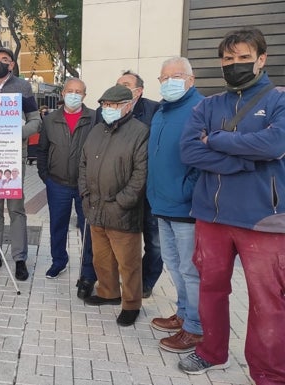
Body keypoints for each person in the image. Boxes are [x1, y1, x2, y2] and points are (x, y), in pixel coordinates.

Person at [179, 27, 285, 381]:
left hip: (263, 219)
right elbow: (190, 151)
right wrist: (244, 159)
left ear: (261, 59)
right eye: (228, 59)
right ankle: (211, 352)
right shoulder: (208, 105)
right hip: (212, 215)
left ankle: (269, 373)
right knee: (210, 289)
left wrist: (220, 140)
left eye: (242, 58)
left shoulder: (279, 100)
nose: (234, 64)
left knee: (267, 301)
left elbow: (274, 145)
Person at [78, 85, 148, 327]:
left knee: (128, 263)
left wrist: (122, 202)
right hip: (95, 208)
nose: (108, 109)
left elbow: (141, 175)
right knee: (102, 258)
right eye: (105, 105)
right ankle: (108, 292)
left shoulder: (140, 132)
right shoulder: (97, 130)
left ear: (128, 105)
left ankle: (131, 304)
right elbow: (83, 164)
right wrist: (85, 194)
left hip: (122, 211)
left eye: (114, 105)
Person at [147, 57, 204, 353]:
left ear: (190, 80)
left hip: (185, 208)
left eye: (176, 76)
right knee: (174, 265)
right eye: (164, 77)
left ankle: (195, 328)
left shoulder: (200, 109)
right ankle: (183, 313)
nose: (169, 82)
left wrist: (186, 191)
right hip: (161, 203)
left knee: (190, 269)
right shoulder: (162, 110)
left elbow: (204, 159)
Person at [0, 47, 41, 281]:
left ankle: (20, 257)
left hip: (14, 155)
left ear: (12, 65)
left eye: (5, 60)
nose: (1, 63)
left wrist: (18, 132)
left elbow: (35, 120)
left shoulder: (23, 87)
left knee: (16, 208)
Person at [37, 78, 95, 285]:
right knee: (57, 225)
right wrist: (46, 176)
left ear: (84, 96)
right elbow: (42, 150)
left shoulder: (94, 118)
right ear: (62, 93)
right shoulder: (51, 120)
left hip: (85, 186)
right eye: (70, 90)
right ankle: (58, 261)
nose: (73, 95)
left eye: (78, 91)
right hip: (57, 183)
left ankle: (88, 269)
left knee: (87, 227)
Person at [115, 71, 162, 299]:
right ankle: (126, 276)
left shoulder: (155, 111)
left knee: (154, 242)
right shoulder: (113, 110)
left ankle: (146, 281)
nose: (120, 88)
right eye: (118, 84)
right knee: (125, 237)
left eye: (126, 85)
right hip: (123, 188)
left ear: (139, 91)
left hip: (151, 188)